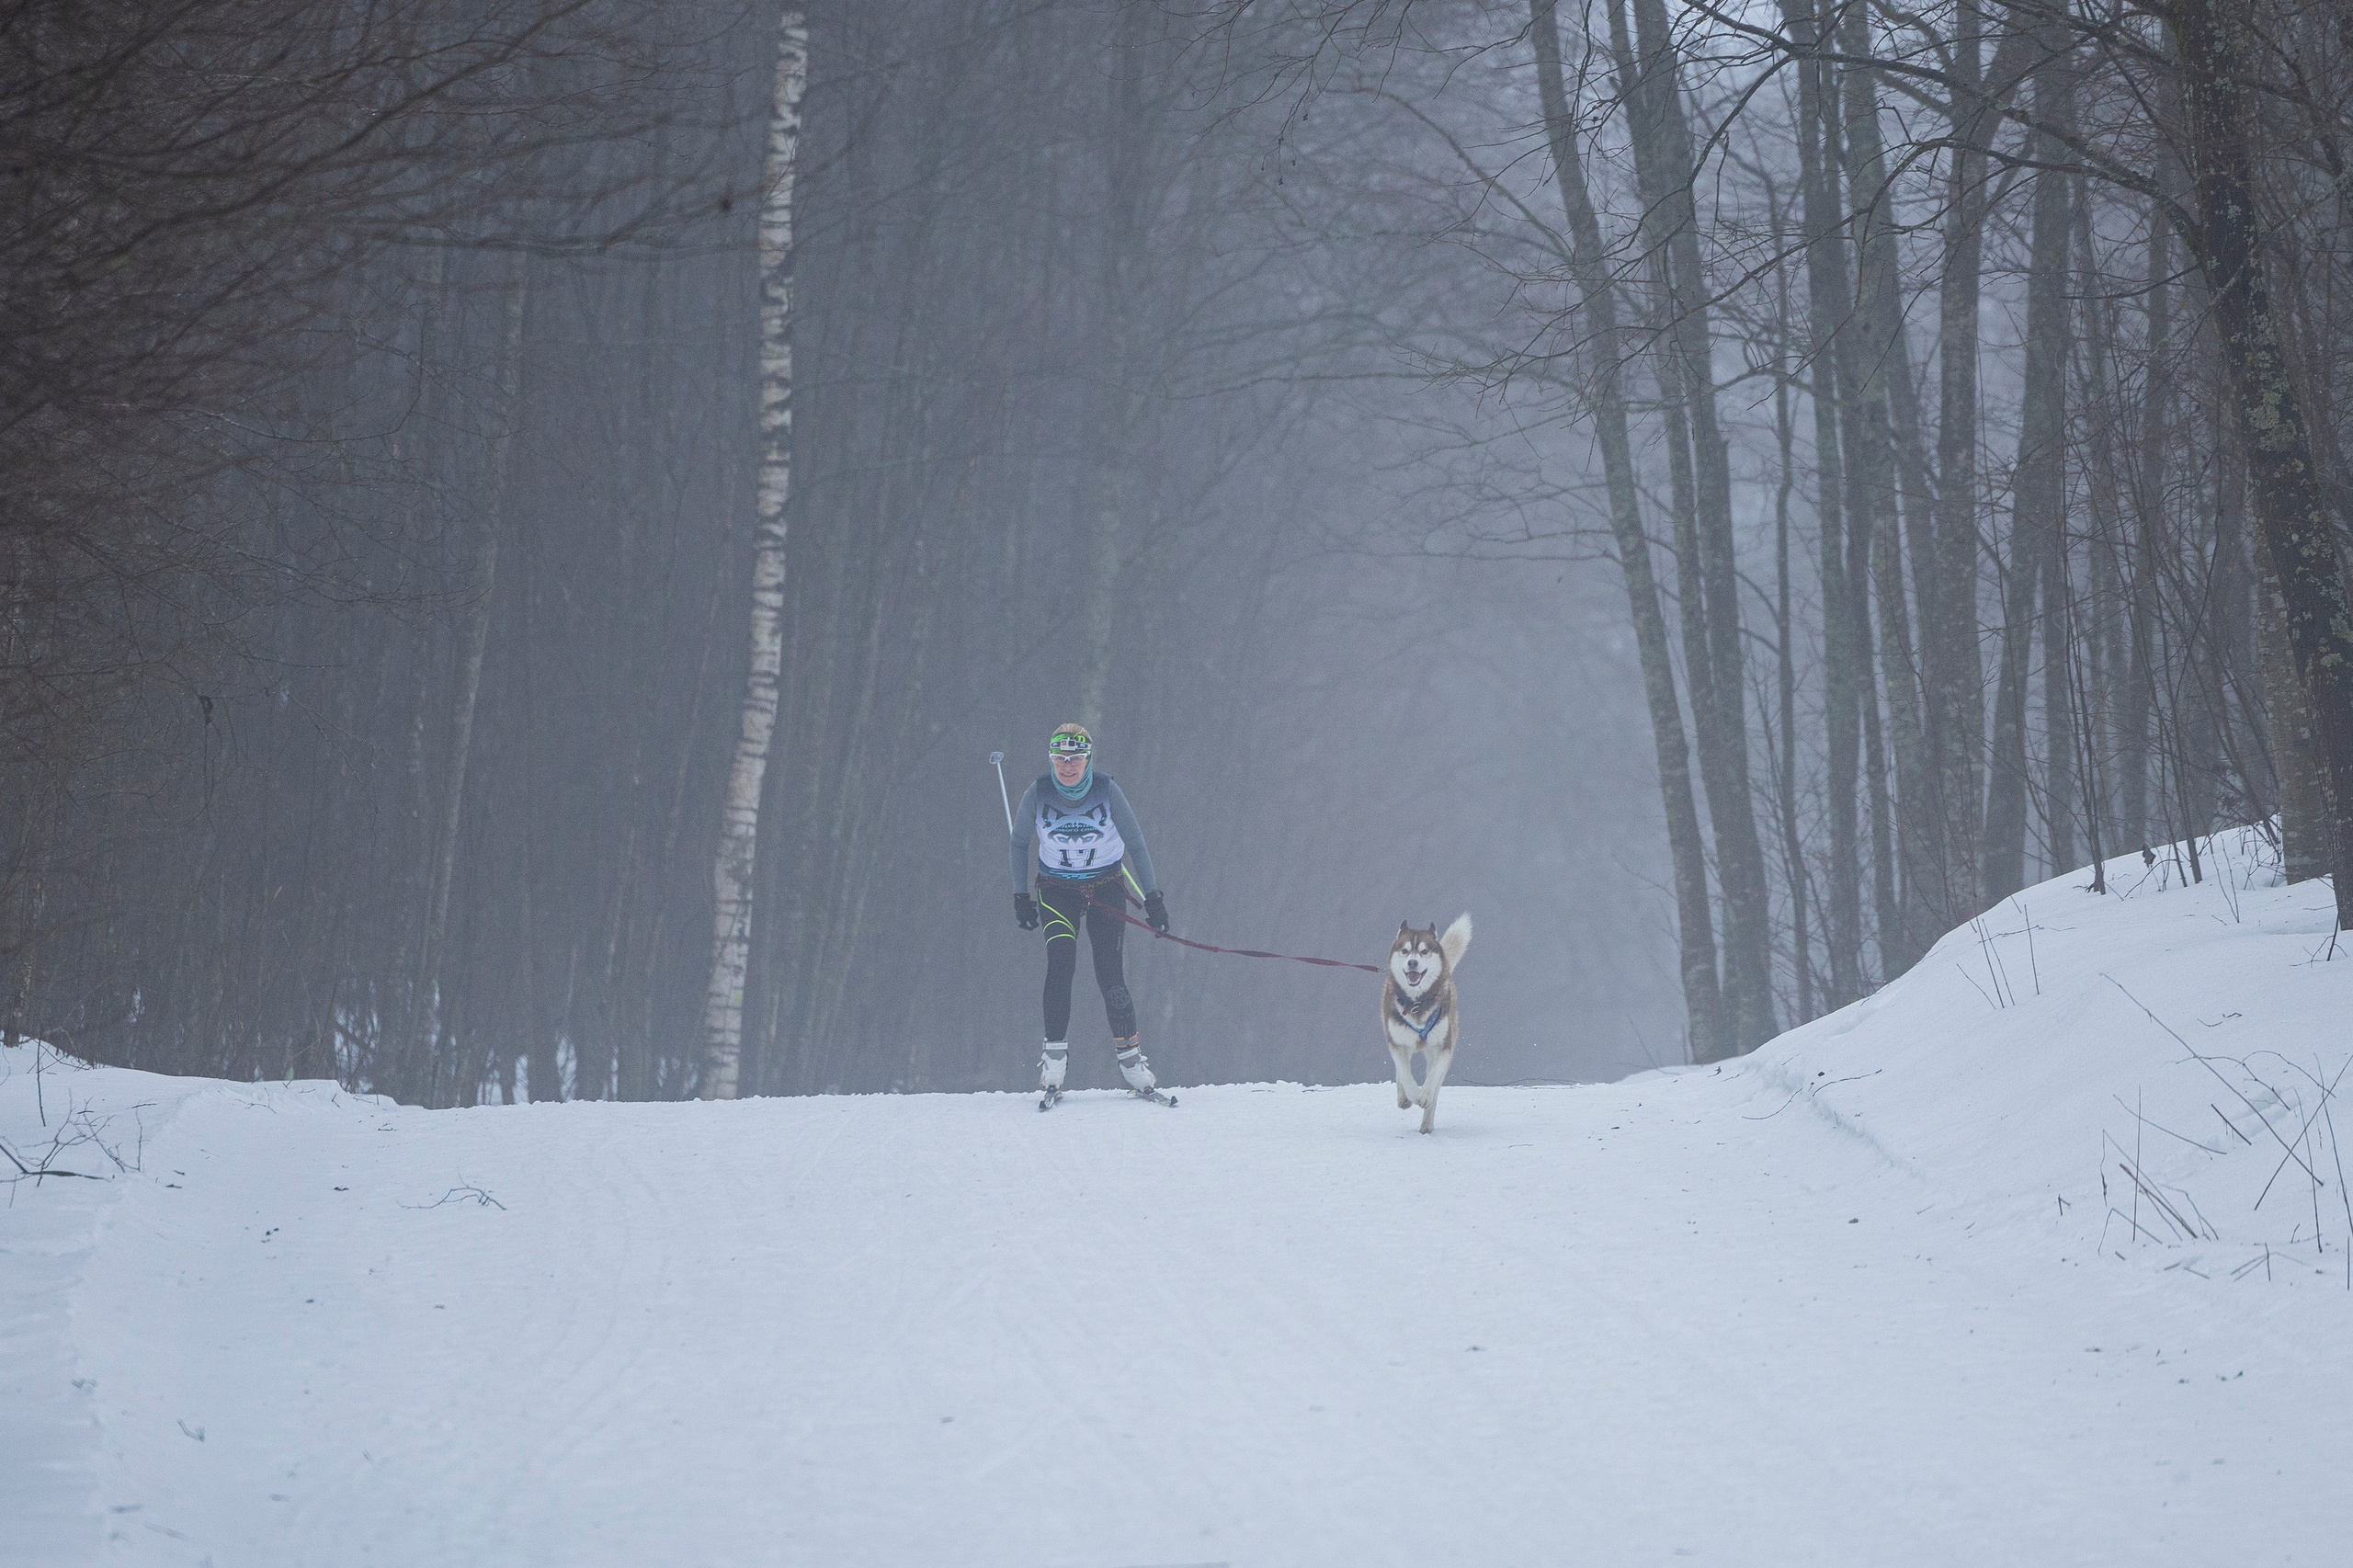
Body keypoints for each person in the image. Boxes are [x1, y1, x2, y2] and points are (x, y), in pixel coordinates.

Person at [1009, 722, 1170, 1095]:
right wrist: (1020, 896)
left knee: (1110, 971)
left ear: (1088, 760)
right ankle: (1053, 1064)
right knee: (1061, 963)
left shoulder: (1107, 790)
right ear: (1051, 758)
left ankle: (1132, 1065)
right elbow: (1019, 843)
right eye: (1060, 758)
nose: (1067, 766)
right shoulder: (1038, 792)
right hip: (1056, 890)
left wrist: (1154, 898)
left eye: (1076, 758)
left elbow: (1137, 842)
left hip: (1105, 887)